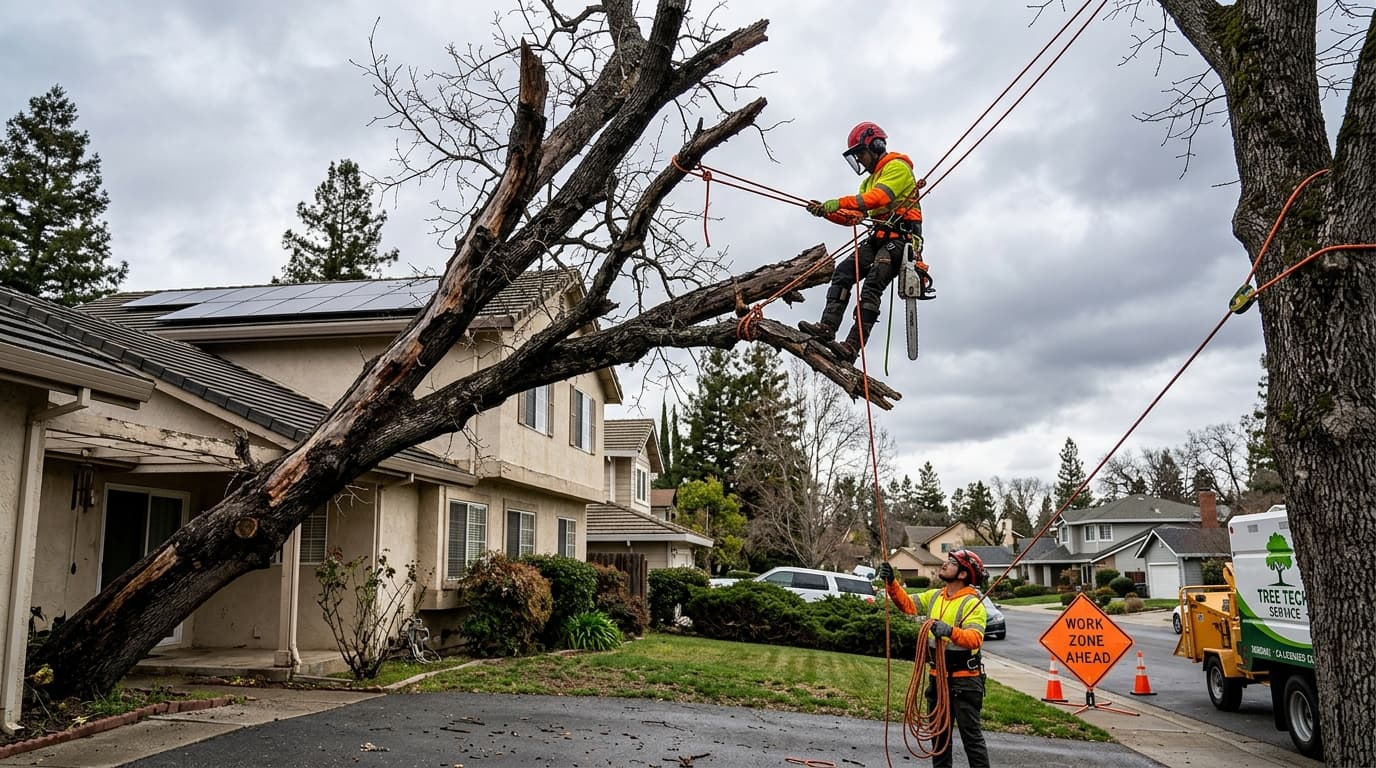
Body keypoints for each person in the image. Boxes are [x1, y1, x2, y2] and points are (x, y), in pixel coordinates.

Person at [799, 121, 927, 363]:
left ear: (876, 145)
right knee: (844, 271)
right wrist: (827, 212)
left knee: (872, 284)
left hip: (902, 239)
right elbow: (854, 218)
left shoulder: (897, 167)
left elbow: (878, 198)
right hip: (879, 237)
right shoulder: (868, 182)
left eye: (861, 153)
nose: (860, 160)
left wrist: (839, 201)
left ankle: (851, 346)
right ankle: (827, 327)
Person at [880, 550, 989, 768]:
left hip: (964, 682)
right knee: (939, 739)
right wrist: (892, 582)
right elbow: (907, 605)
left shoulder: (972, 603)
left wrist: (949, 630)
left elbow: (975, 638)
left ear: (963, 575)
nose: (944, 565)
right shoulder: (935, 596)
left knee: (972, 740)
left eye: (951, 563)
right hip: (937, 678)